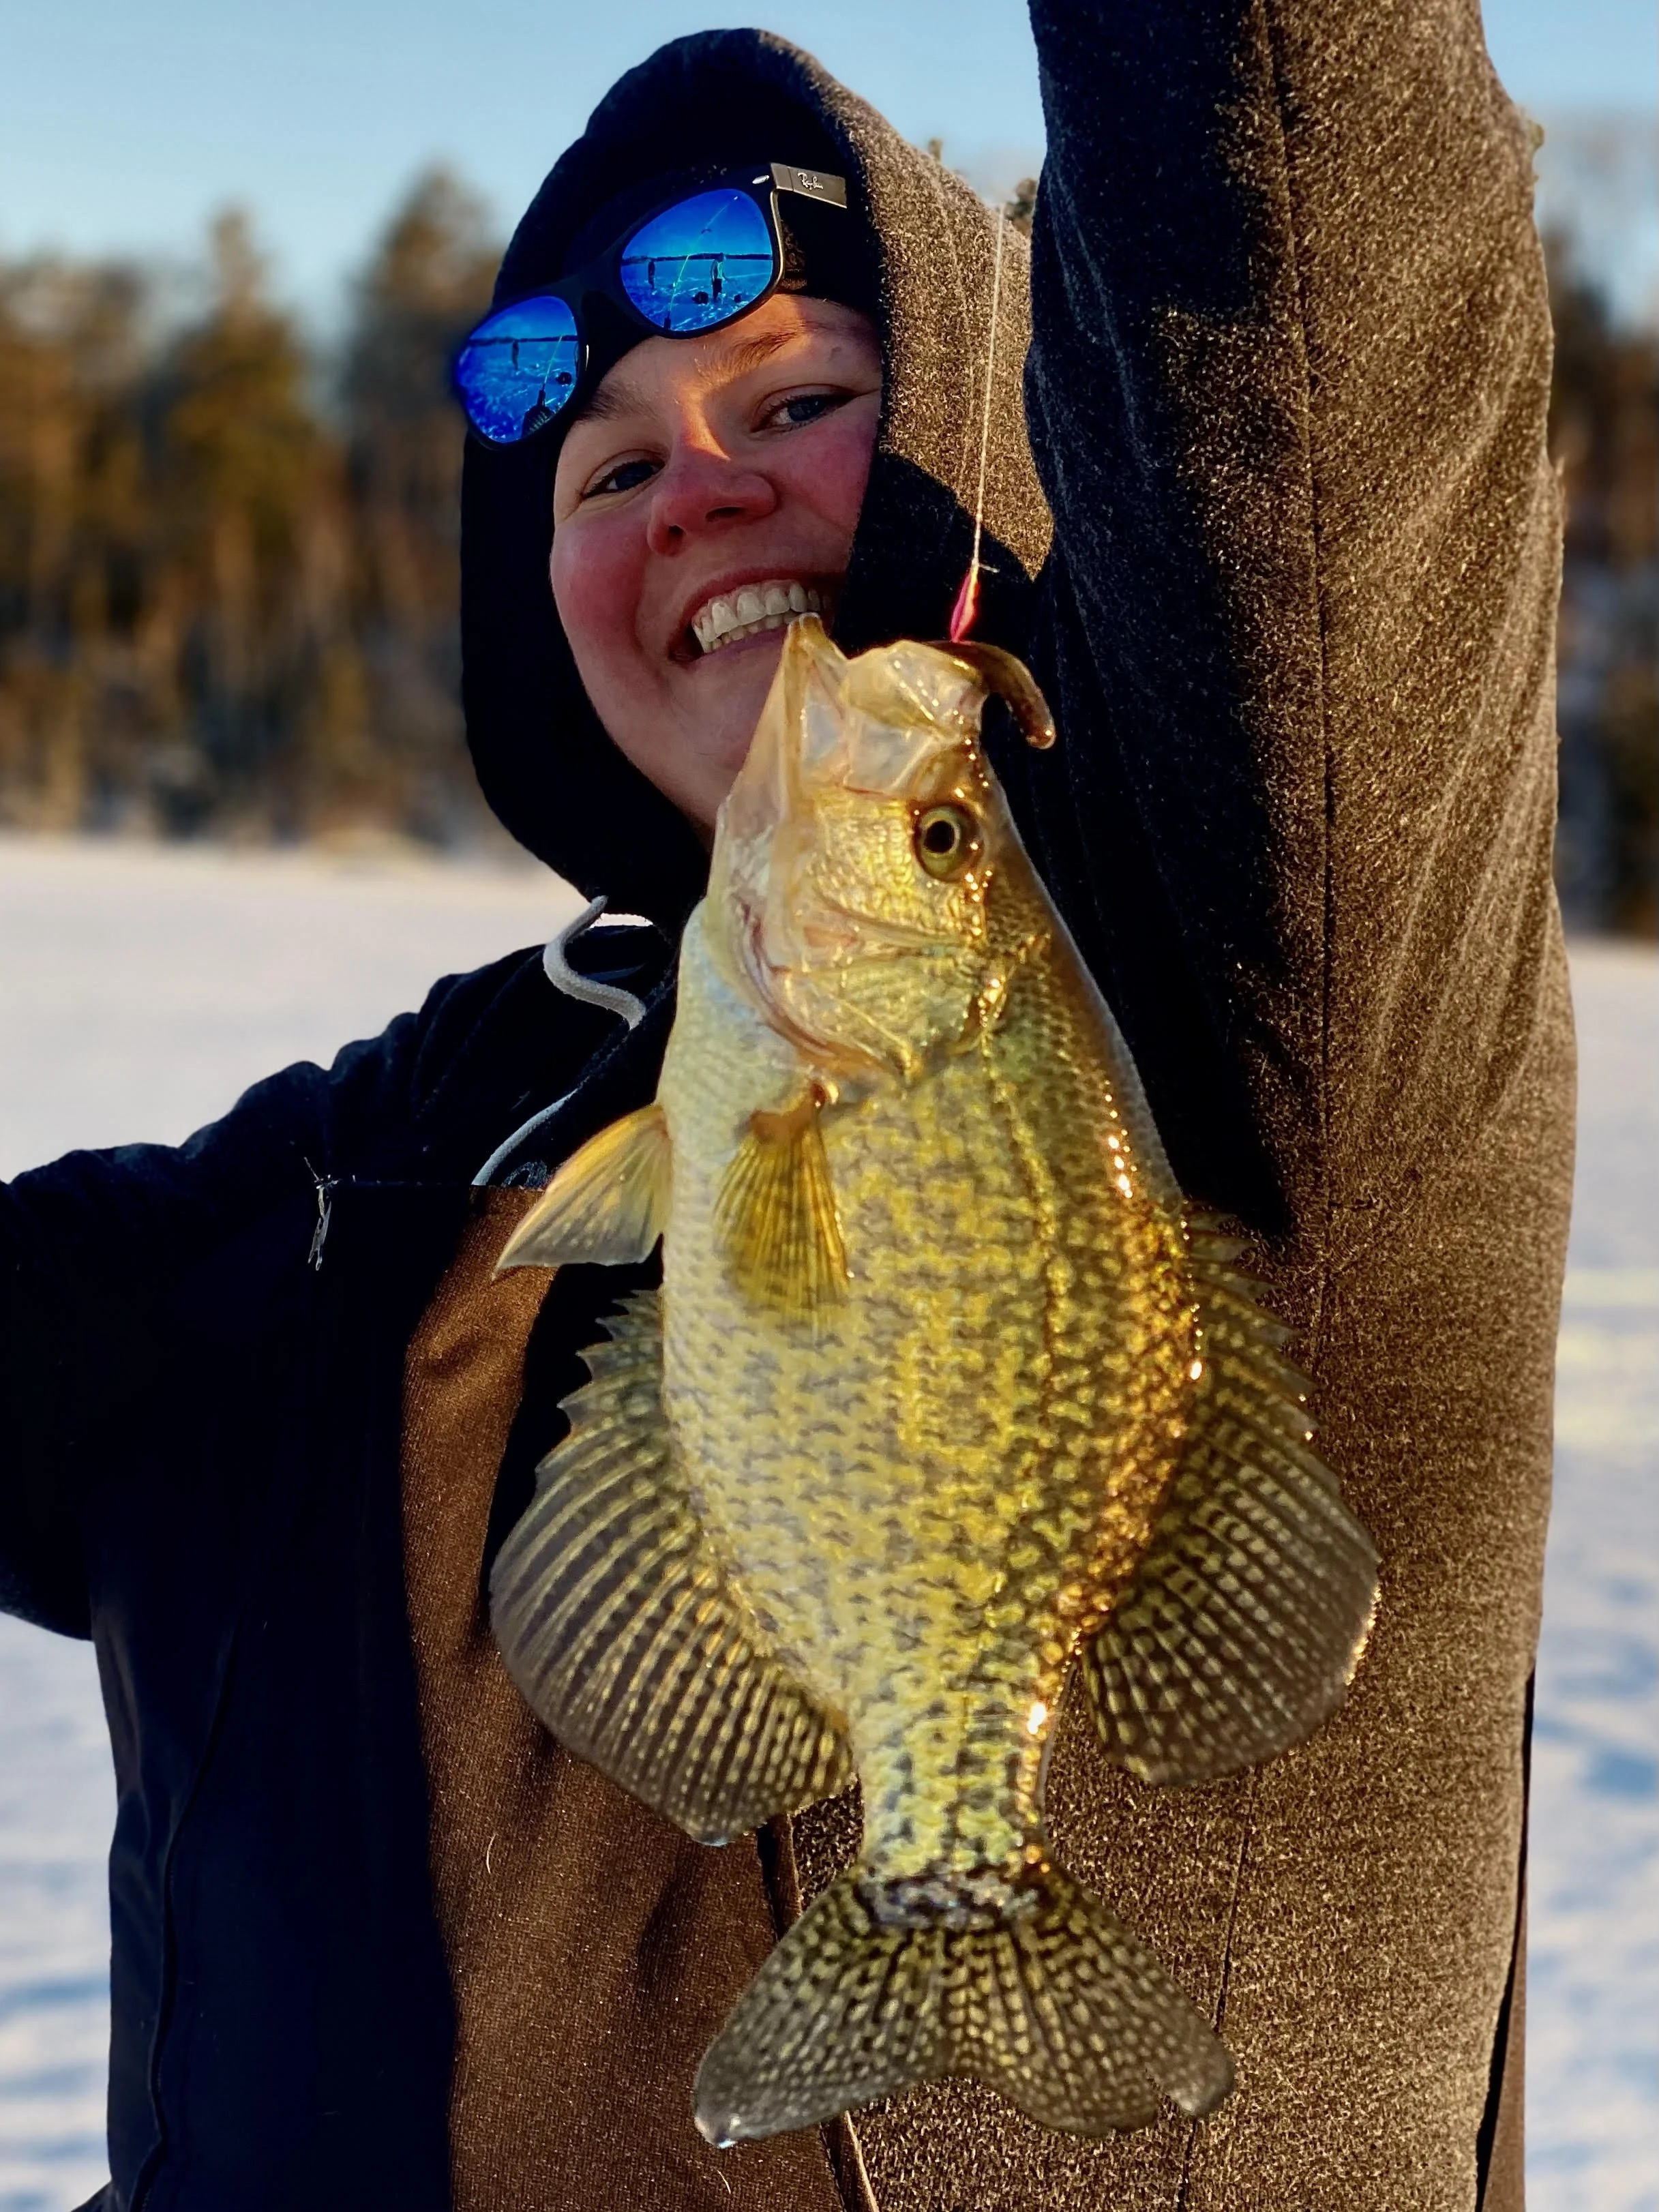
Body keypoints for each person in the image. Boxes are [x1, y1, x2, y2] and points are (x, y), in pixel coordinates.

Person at [0, 5, 1570, 2209]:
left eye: (801, 400)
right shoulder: (429, 1112)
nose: (701, 491)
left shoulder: (1280, 965)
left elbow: (1322, 304)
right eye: (608, 469)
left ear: (992, 436)